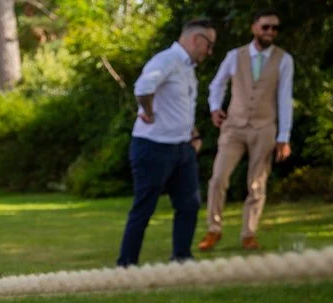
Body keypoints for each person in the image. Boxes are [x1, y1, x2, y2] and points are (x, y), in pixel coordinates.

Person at [116, 19, 217, 267]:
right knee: (144, 207)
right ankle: (126, 265)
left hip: (182, 148)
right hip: (153, 146)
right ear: (196, 40)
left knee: (189, 204)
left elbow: (180, 108)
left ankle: (181, 258)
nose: (210, 52)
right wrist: (148, 112)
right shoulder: (166, 60)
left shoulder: (187, 69)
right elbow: (143, 88)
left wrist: (193, 135)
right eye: (210, 45)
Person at [200, 8, 294, 252]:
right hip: (234, 126)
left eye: (275, 28)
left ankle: (249, 233)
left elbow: (285, 99)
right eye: (266, 27)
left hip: (264, 127)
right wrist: (214, 108)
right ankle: (213, 229)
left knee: (256, 184)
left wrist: (283, 137)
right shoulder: (235, 56)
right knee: (218, 178)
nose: (270, 32)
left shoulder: (284, 59)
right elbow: (217, 84)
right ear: (254, 28)